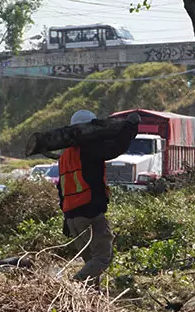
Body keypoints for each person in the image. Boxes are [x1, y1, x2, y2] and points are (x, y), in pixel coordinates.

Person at [57, 109, 138, 284]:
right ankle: (73, 286)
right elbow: (115, 149)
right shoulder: (89, 148)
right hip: (90, 212)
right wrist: (130, 128)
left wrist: (66, 217)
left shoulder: (65, 155)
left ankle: (92, 303)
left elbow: (61, 187)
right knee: (102, 257)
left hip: (72, 217)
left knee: (91, 263)